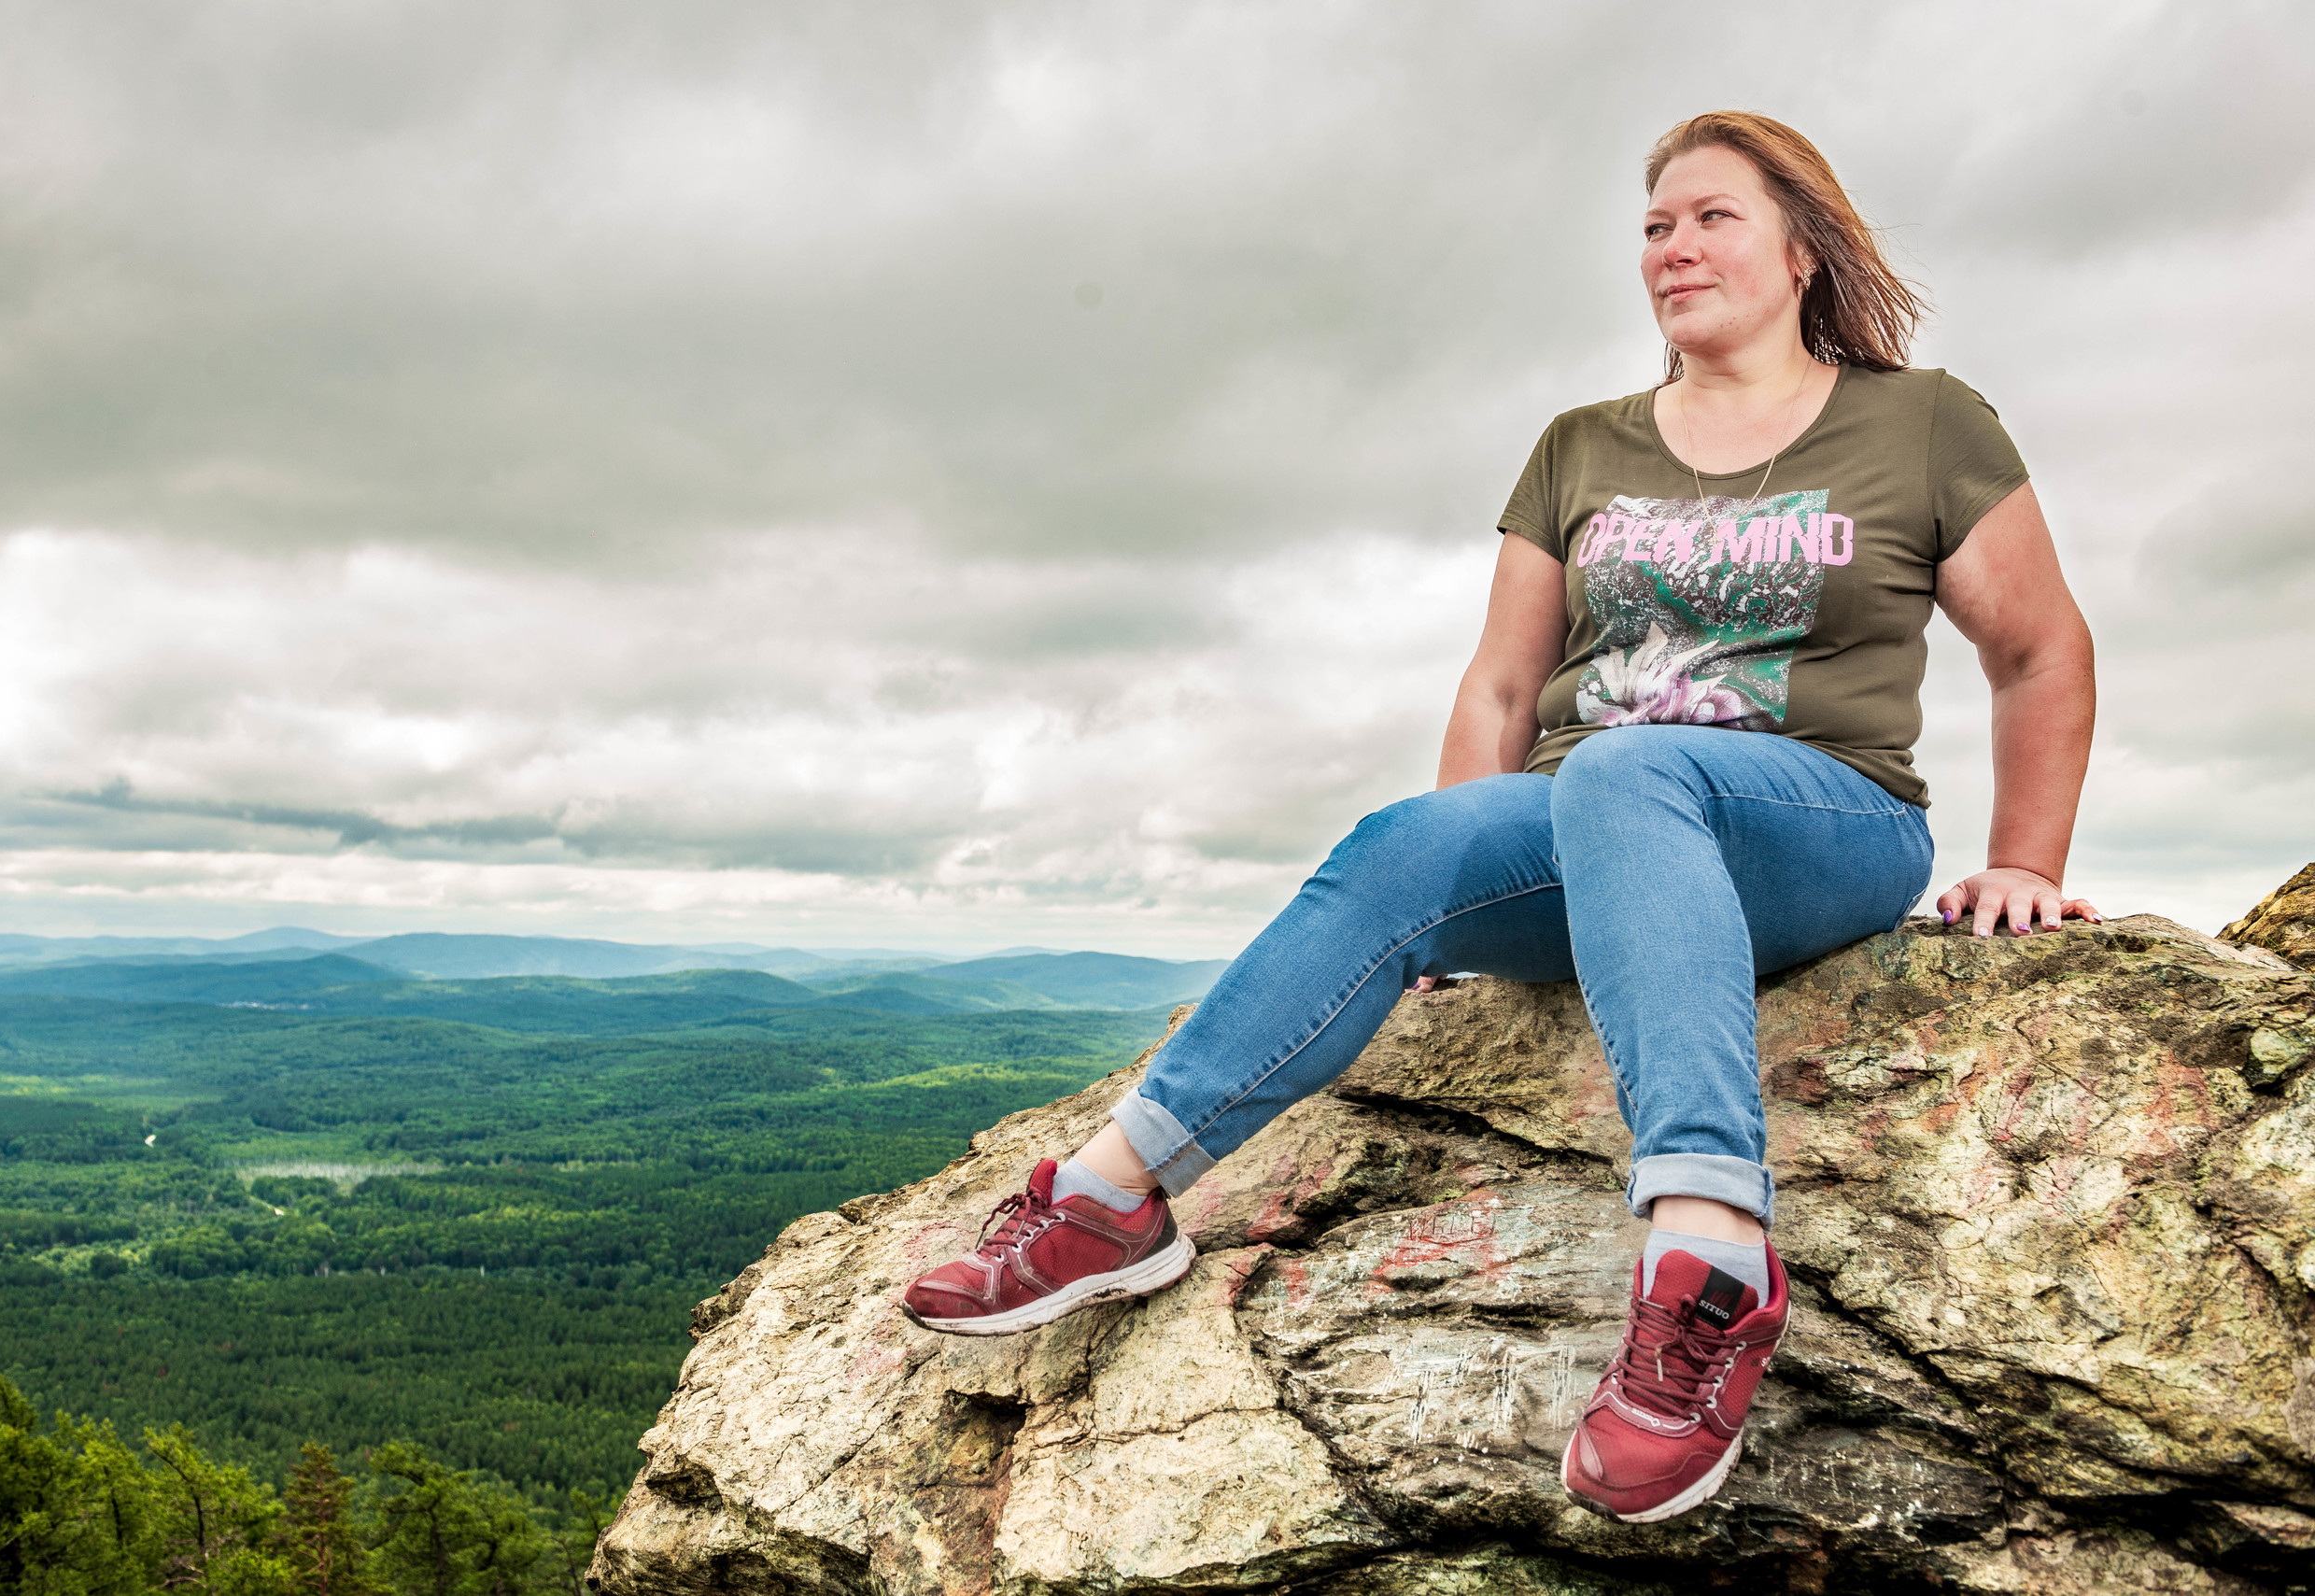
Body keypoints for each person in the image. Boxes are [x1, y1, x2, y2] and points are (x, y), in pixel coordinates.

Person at [899, 110, 2097, 1526]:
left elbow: (2040, 648)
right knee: (1407, 839)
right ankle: (1112, 1195)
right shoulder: (1580, 446)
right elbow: (1507, 682)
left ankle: (1709, 1263)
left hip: (1821, 820)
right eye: (1654, 226)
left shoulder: (1924, 421)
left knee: (1623, 765)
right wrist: (1454, 888)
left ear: (1800, 244)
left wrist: (2025, 862)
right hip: (1597, 824)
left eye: (1712, 216)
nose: (1674, 245)